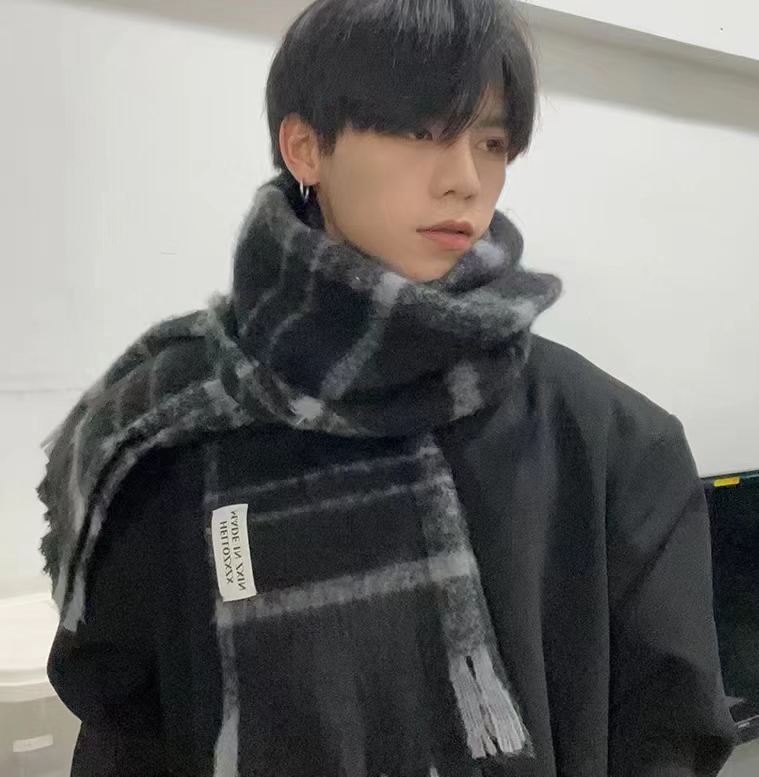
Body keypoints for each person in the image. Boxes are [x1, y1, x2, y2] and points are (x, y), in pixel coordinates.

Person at [40, 0, 737, 775]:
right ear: (305, 147)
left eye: (491, 142)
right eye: (421, 131)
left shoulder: (612, 440)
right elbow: (126, 732)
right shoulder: (168, 430)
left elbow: (666, 738)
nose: (464, 180)